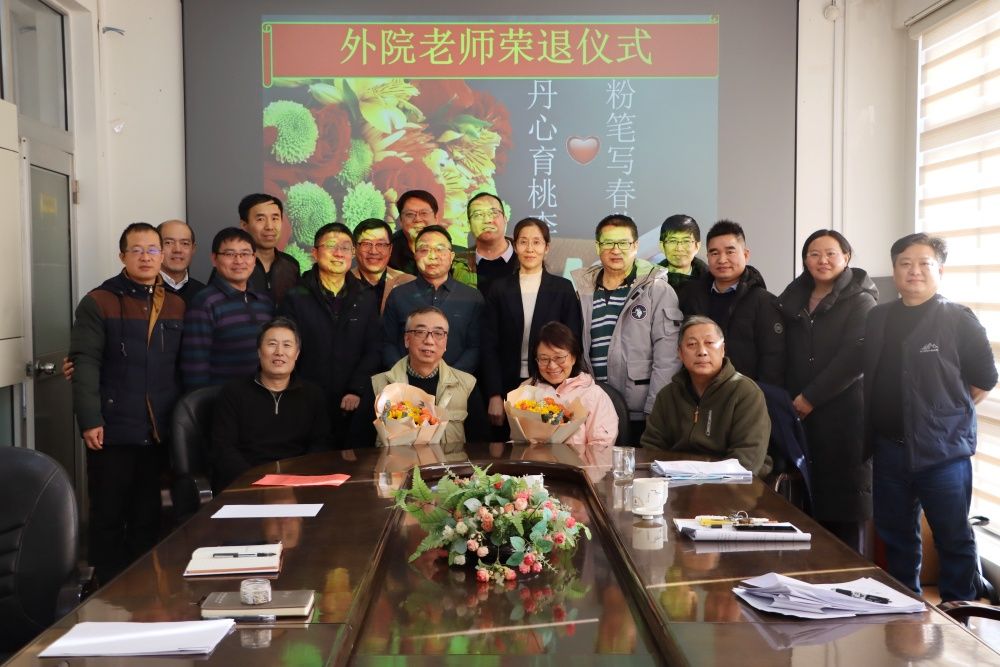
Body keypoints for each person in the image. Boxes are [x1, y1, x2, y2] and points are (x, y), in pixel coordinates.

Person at [864, 233, 997, 603]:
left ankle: (960, 610)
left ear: (940, 270)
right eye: (905, 263)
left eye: (924, 263)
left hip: (943, 453)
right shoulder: (878, 317)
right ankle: (903, 606)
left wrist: (944, 417)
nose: (914, 271)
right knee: (895, 534)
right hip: (889, 448)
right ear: (894, 270)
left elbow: (984, 380)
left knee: (953, 536)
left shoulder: (958, 318)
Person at [68, 222, 185, 583]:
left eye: (152, 249)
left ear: (162, 256)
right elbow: (85, 362)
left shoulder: (176, 304)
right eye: (137, 250)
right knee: (108, 513)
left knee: (147, 515)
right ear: (122, 256)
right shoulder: (99, 301)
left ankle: (142, 589)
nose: (146, 257)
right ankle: (105, 590)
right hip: (112, 426)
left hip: (157, 428)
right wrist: (90, 419)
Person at [777, 230, 878, 552]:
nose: (823, 260)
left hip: (844, 417)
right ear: (805, 260)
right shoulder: (791, 298)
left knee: (845, 508)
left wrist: (810, 397)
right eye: (814, 254)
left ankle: (850, 575)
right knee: (805, 510)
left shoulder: (861, 300)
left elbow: (855, 357)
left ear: (846, 257)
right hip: (799, 415)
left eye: (831, 253)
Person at [573, 214, 682, 440]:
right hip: (594, 409)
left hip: (640, 411)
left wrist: (656, 407)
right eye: (608, 243)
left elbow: (667, 356)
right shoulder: (583, 290)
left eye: (623, 243)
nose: (616, 250)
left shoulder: (656, 289)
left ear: (635, 246)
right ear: (598, 246)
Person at [279, 223, 382, 449]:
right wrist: (297, 390)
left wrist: (356, 389)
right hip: (305, 401)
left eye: (345, 247)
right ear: (315, 253)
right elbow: (286, 349)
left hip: (353, 404)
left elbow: (373, 348)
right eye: (331, 246)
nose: (338, 253)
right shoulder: (296, 296)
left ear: (352, 254)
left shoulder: (366, 297)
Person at [481, 217, 582, 430]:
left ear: (547, 248)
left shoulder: (563, 289)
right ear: (515, 246)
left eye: (536, 242)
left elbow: (572, 343)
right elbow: (488, 344)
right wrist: (494, 394)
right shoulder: (499, 289)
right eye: (523, 242)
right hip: (507, 385)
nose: (530, 249)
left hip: (551, 385)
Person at [641, 316, 772, 476]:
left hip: (733, 484)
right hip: (675, 482)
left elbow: (747, 460)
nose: (702, 352)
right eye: (692, 344)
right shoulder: (667, 395)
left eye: (709, 343)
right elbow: (652, 449)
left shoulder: (746, 393)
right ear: (680, 353)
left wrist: (703, 482)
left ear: (723, 349)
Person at [210, 317, 330, 489]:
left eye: (287, 345)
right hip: (247, 484)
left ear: (297, 354)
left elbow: (321, 444)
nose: (279, 352)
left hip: (298, 484)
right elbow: (223, 448)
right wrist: (257, 480)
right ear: (259, 351)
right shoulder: (233, 393)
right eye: (272, 344)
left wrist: (297, 478)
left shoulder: (313, 395)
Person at [679, 219, 784, 386]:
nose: (722, 260)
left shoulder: (765, 302)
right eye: (714, 253)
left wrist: (757, 396)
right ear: (708, 257)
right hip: (698, 393)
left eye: (730, 252)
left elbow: (773, 359)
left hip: (746, 395)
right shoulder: (691, 297)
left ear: (746, 255)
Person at [372, 307, 488, 445]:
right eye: (420, 332)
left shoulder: (467, 385)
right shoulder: (379, 385)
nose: (429, 341)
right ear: (407, 339)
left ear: (446, 342)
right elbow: (360, 448)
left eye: (438, 333)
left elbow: (480, 447)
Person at [382, 225, 485, 374]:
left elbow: (475, 347)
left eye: (440, 249)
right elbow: (387, 343)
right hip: (405, 383)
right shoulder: (398, 295)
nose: (432, 256)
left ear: (452, 256)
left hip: (457, 383)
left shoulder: (472, 297)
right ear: (415, 255)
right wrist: (404, 376)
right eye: (424, 250)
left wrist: (450, 379)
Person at [181, 227, 274, 390]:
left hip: (262, 397)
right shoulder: (205, 303)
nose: (239, 261)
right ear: (214, 259)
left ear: (254, 259)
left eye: (245, 253)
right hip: (223, 400)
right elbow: (195, 367)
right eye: (230, 254)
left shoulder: (264, 301)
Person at [520, 322, 618, 447]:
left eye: (559, 357)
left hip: (580, 460)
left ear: (573, 357)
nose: (552, 366)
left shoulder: (594, 395)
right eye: (544, 359)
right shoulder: (527, 391)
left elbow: (602, 446)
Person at [239, 193, 301, 303]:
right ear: (244, 225)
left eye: (275, 218)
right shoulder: (233, 265)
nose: (270, 227)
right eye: (260, 219)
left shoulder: (291, 265)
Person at [351, 217, 416, 312]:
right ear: (354, 248)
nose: (373, 251)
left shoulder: (409, 283)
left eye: (381, 244)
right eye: (366, 244)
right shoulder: (341, 283)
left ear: (390, 249)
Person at [463, 192, 519, 295]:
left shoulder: (525, 256)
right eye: (478, 215)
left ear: (505, 219)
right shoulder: (458, 263)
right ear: (469, 224)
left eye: (493, 213)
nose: (487, 220)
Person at [388, 189, 441, 276]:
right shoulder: (387, 252)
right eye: (410, 214)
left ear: (436, 218)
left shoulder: (454, 255)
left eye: (424, 213)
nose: (417, 219)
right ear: (400, 220)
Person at [658, 214, 708, 298]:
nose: (679, 248)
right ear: (662, 246)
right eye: (673, 241)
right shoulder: (649, 282)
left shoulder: (712, 282)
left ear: (697, 246)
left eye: (686, 241)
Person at [157, 219, 205, 305]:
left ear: (193, 249)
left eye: (185, 243)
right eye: (168, 243)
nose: (177, 250)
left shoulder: (204, 294)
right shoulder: (142, 290)